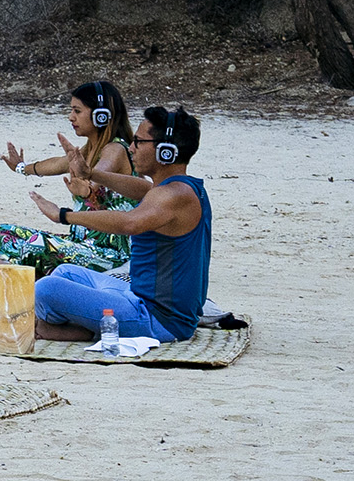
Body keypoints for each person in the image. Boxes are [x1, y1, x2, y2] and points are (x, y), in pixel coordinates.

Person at [23, 106, 214, 346]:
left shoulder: (174, 196)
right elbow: (142, 189)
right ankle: (84, 326)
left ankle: (82, 330)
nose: (131, 148)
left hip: (158, 320)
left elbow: (129, 223)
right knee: (64, 273)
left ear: (166, 152)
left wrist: (64, 215)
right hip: (136, 296)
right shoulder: (179, 188)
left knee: (47, 289)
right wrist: (91, 173)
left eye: (139, 142)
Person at [0, 79, 135, 272]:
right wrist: (21, 167)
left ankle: (20, 268)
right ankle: (35, 264)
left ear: (101, 116)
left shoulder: (115, 149)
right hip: (80, 244)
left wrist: (88, 188)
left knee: (39, 246)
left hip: (109, 253)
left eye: (77, 111)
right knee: (1, 233)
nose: (70, 117)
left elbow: (101, 172)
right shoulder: (88, 150)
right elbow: (57, 164)